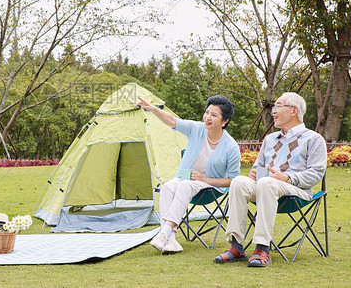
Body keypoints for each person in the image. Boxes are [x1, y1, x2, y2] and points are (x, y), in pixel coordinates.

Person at [214, 92, 327, 267]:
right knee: (238, 182)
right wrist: (253, 173)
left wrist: (288, 177)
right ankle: (236, 246)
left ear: (293, 111)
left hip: (297, 191)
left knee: (267, 182)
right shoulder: (270, 139)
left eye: (278, 105)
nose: (273, 111)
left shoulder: (313, 139)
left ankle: (262, 247)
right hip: (266, 188)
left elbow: (317, 173)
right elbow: (259, 167)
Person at [135, 95, 241, 254]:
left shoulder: (231, 146)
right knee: (167, 187)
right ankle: (170, 239)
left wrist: (205, 179)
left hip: (211, 186)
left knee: (184, 185)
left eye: (214, 115)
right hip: (186, 179)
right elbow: (172, 121)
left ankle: (164, 232)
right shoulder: (197, 129)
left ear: (224, 121)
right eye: (207, 112)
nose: (208, 117)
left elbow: (233, 180)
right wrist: (152, 109)